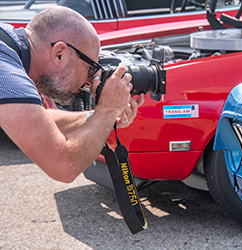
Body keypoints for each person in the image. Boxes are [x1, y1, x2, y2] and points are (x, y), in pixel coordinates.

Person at [0, 6, 145, 183]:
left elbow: (35, 121)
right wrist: (107, 110)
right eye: (89, 68)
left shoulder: (9, 46)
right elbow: (63, 166)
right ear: (60, 54)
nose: (89, 81)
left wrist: (98, 117)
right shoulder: (6, 73)